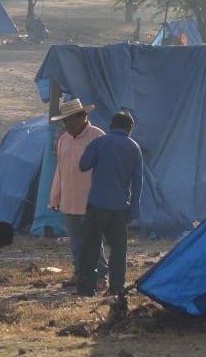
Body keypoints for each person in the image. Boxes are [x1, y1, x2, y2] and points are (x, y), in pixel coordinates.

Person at [76, 109, 143, 297]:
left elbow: (84, 165)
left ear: (111, 125)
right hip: (121, 207)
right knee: (118, 251)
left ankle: (86, 289)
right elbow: (138, 180)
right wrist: (134, 208)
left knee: (90, 248)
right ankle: (116, 288)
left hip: (97, 205)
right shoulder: (134, 147)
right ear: (129, 128)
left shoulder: (100, 142)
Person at [45, 98, 103, 280]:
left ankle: (101, 276)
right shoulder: (63, 140)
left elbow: (105, 172)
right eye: (65, 120)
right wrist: (55, 198)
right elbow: (60, 171)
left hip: (90, 201)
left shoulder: (98, 137)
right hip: (69, 202)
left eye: (70, 120)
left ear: (82, 117)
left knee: (93, 242)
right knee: (76, 243)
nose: (67, 124)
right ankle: (81, 276)